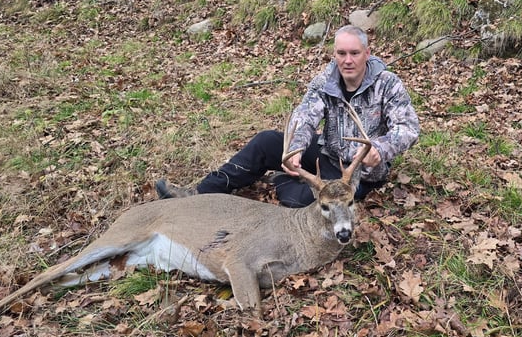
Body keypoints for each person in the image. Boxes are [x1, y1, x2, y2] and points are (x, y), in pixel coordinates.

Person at [156, 25, 420, 208]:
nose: (347, 60)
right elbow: (304, 117)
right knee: (266, 142)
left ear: (367, 54)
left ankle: (282, 181)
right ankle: (200, 193)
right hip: (326, 154)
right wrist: (295, 148)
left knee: (299, 202)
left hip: (358, 172)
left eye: (354, 53)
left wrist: (379, 148)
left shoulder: (388, 84)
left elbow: (408, 128)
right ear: (335, 54)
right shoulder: (325, 82)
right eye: (341, 53)